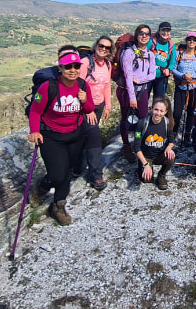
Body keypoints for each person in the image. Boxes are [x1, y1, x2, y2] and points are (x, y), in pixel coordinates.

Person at [28, 51, 96, 225]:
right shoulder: (48, 87)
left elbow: (89, 110)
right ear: (60, 68)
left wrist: (85, 99)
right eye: (68, 67)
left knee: (67, 173)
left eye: (76, 66)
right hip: (51, 136)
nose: (72, 70)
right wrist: (35, 131)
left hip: (75, 134)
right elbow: (35, 110)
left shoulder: (82, 86)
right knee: (58, 174)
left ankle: (58, 206)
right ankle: (42, 187)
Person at [71, 35, 113, 190]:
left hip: (99, 106)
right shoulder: (86, 63)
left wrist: (108, 105)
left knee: (85, 136)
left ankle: (77, 168)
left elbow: (107, 86)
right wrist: (87, 108)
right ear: (96, 46)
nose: (103, 49)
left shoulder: (107, 65)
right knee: (94, 139)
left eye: (107, 47)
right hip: (85, 108)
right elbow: (77, 87)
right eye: (101, 45)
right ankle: (96, 176)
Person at [116, 25, 157, 161]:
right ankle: (127, 146)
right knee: (126, 119)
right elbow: (128, 77)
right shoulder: (129, 53)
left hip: (142, 90)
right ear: (137, 35)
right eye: (141, 33)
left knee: (143, 118)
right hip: (127, 91)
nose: (144, 36)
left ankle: (139, 145)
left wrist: (139, 79)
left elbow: (152, 75)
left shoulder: (150, 54)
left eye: (147, 33)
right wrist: (132, 98)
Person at [133, 97, 176, 190]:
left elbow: (171, 141)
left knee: (171, 157)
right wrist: (145, 164)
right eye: (156, 109)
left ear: (165, 112)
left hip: (160, 154)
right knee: (146, 179)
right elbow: (136, 146)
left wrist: (169, 148)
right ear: (152, 108)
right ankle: (144, 167)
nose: (158, 113)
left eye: (161, 111)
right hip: (146, 157)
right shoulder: (142, 123)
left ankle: (161, 175)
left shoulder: (167, 123)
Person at [171, 31, 196, 143]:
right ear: (186, 41)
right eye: (189, 39)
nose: (191, 41)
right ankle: (174, 132)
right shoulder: (178, 54)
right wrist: (183, 76)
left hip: (194, 88)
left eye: (194, 40)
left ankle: (187, 134)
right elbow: (173, 69)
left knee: (191, 112)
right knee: (177, 113)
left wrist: (192, 76)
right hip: (181, 87)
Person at [148, 21, 177, 101]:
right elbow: (143, 54)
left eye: (167, 31)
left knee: (158, 100)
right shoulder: (152, 42)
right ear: (159, 31)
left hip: (161, 77)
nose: (165, 33)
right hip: (148, 75)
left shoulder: (171, 46)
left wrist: (168, 69)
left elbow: (172, 62)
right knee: (143, 99)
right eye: (163, 30)